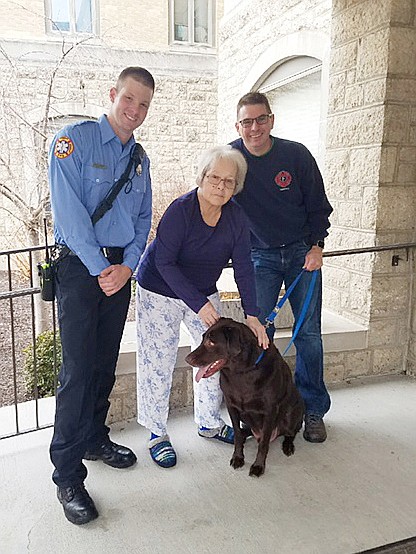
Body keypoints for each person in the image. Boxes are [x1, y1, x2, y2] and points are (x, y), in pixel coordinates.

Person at [48, 66, 155, 525]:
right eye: (129, 99)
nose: (135, 110)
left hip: (119, 271)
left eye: (144, 105)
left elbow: (144, 217)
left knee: (104, 362)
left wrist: (128, 266)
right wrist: (101, 270)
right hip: (80, 267)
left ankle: (94, 437)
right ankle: (67, 474)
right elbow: (69, 215)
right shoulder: (74, 141)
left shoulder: (141, 160)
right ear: (113, 94)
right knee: (76, 372)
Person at [135, 145, 269, 469]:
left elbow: (243, 268)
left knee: (218, 353)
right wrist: (198, 305)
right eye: (214, 178)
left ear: (236, 186)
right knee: (158, 361)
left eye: (228, 181)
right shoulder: (181, 211)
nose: (220, 186)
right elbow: (165, 262)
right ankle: (156, 432)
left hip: (201, 291)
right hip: (158, 290)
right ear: (202, 177)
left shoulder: (236, 217)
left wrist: (253, 316)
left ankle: (209, 421)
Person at [230, 91, 333, 444]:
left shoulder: (296, 155)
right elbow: (214, 200)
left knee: (308, 335)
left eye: (261, 119)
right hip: (260, 257)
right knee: (259, 335)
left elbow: (319, 206)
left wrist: (317, 245)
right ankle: (262, 409)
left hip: (302, 254)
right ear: (238, 125)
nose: (254, 128)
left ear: (271, 120)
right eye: (247, 122)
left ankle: (313, 409)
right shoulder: (232, 158)